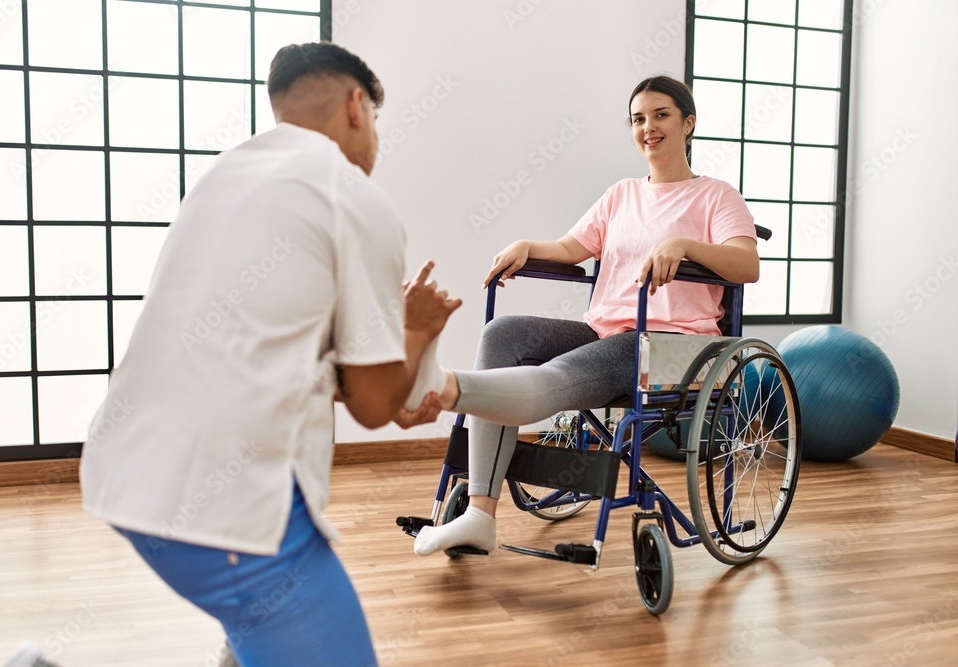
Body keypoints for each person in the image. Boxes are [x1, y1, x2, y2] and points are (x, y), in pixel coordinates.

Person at [78, 42, 459, 666]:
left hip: (123, 471)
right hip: (221, 507)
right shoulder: (353, 197)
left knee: (249, 642)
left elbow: (255, 343)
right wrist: (415, 331)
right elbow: (371, 406)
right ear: (357, 106)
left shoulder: (225, 177)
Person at [404, 75, 760, 556]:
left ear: (688, 123)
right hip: (606, 330)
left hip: (671, 346)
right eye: (638, 119)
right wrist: (528, 246)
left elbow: (746, 264)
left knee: (557, 375)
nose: (648, 127)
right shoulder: (621, 194)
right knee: (503, 334)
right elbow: (573, 248)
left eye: (661, 115)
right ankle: (478, 515)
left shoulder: (715, 196)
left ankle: (442, 386)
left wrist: (682, 246)